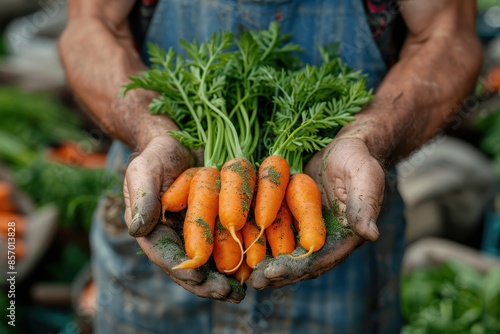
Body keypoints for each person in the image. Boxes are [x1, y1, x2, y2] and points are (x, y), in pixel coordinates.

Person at [58, 0, 482, 333]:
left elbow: (447, 37)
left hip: (346, 227)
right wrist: (152, 133)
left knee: (274, 220)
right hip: (153, 249)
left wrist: (366, 139)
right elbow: (90, 26)